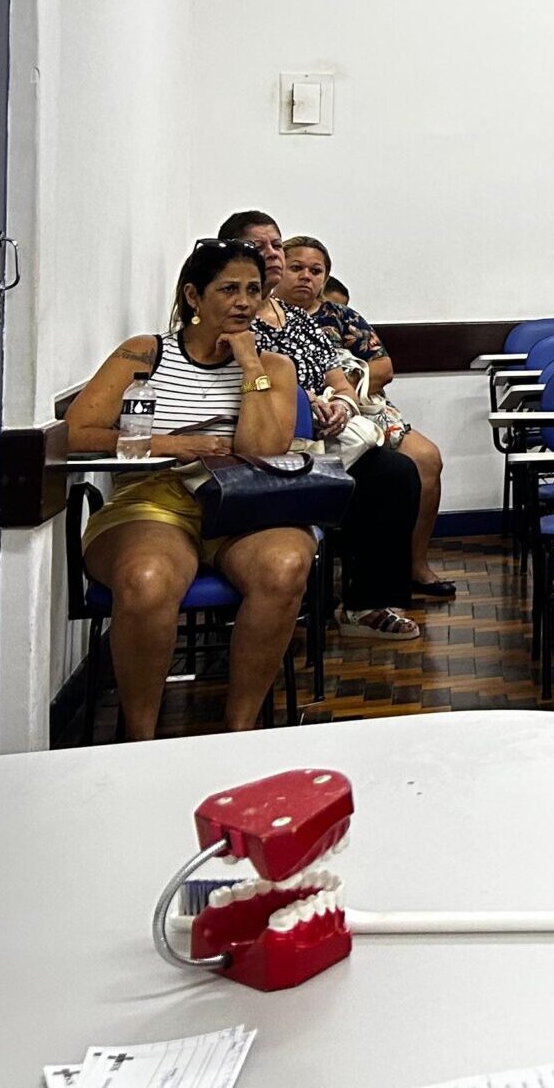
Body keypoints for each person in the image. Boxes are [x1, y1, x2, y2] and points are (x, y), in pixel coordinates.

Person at [66, 239, 316, 739]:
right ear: (194, 297)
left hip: (244, 502)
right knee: (148, 577)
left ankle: (239, 730)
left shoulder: (275, 367)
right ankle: (140, 739)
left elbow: (262, 449)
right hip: (153, 498)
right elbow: (78, 432)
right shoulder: (145, 352)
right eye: (229, 290)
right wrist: (173, 444)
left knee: (286, 564)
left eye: (252, 290)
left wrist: (250, 366)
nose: (245, 302)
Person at [218, 211, 423, 640]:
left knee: (395, 472)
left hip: (325, 437)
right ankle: (282, 602)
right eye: (262, 246)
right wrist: (301, 403)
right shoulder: (231, 315)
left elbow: (338, 374)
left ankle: (365, 605)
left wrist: (343, 405)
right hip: (269, 442)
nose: (273, 253)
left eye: (277, 244)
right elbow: (240, 382)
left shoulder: (296, 317)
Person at [278, 234, 453, 599]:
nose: (305, 277)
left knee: (426, 458)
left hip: (364, 406)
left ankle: (415, 565)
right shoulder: (266, 319)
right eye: (296, 268)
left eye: (316, 270)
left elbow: (384, 366)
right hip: (296, 413)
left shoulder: (341, 316)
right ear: (277, 269)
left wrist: (348, 383)